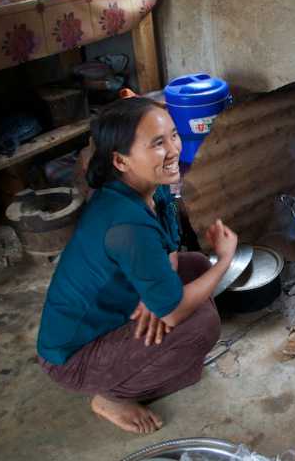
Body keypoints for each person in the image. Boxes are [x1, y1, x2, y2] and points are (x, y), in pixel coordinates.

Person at [36, 97, 238, 434]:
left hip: (111, 313)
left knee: (197, 264)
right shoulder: (126, 225)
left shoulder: (148, 188)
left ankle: (147, 355)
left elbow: (170, 247)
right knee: (201, 323)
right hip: (72, 356)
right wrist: (227, 258)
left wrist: (155, 293)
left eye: (174, 135)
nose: (174, 149)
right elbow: (173, 313)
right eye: (158, 143)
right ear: (120, 160)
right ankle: (111, 397)